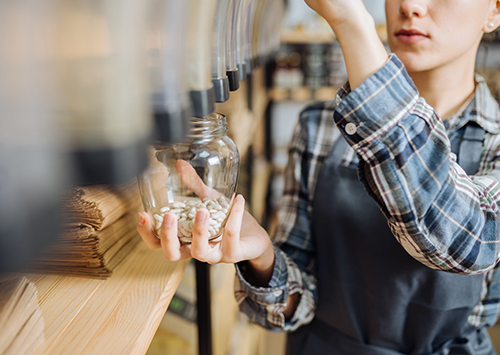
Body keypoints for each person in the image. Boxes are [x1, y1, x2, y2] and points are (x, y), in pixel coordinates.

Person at [137, 0, 500, 353]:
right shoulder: (321, 126)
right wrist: (262, 255)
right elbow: (296, 305)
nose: (411, 5)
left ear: (494, 11)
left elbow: (467, 243)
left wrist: (350, 21)